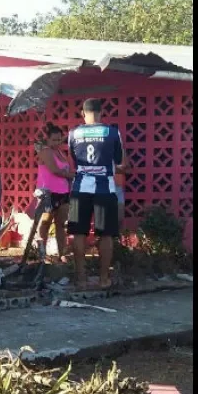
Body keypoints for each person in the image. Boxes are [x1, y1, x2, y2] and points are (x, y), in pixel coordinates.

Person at [67, 98, 125, 289]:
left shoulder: (73, 134)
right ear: (101, 112)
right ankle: (103, 279)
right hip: (105, 189)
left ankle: (82, 279)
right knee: (106, 234)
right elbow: (120, 162)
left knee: (78, 233)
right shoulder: (113, 133)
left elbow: (75, 160)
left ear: (83, 114)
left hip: (80, 188)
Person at [35, 123, 75, 262]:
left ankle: (61, 253)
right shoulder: (46, 151)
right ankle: (42, 253)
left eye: (59, 140)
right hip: (48, 194)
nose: (57, 143)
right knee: (45, 224)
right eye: (54, 140)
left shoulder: (60, 153)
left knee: (60, 224)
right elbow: (55, 170)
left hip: (63, 193)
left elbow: (66, 171)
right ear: (48, 139)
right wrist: (72, 175)